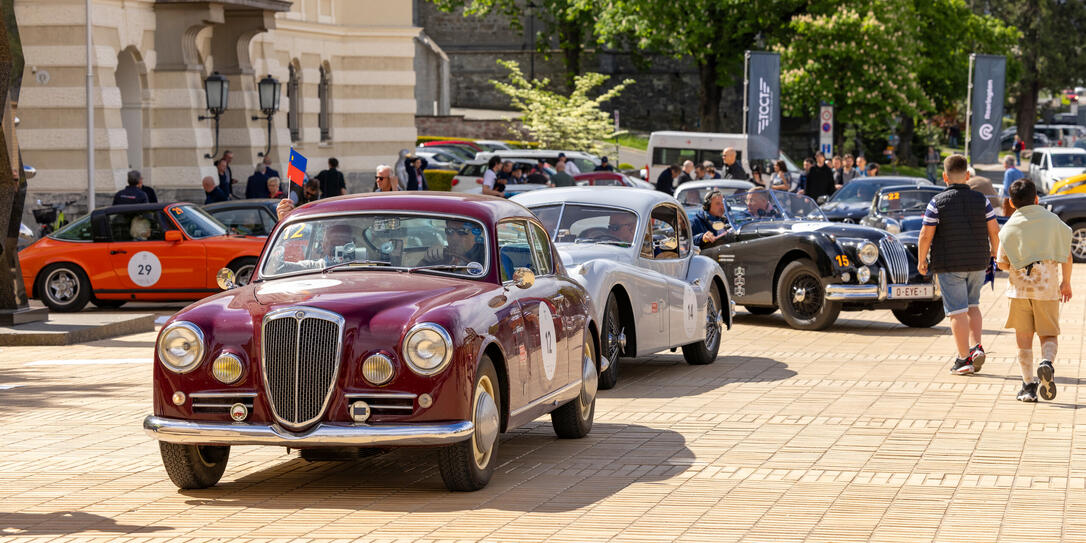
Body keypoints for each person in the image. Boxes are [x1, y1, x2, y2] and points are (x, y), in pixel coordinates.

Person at [917, 154, 1000, 375]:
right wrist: (994, 252)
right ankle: (976, 346)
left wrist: (921, 259)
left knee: (956, 312)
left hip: (950, 263)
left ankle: (964, 359)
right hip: (978, 263)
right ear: (967, 176)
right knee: (973, 305)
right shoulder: (982, 200)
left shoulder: (937, 202)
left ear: (944, 176)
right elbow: (994, 230)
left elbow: (926, 234)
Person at [996, 179, 1072, 402]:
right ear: (1037, 198)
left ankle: (1028, 386)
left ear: (1011, 202)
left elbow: (1001, 262)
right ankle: (1046, 362)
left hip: (1018, 290)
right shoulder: (1053, 221)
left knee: (1023, 338)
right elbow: (1067, 254)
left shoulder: (1010, 226)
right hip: (1047, 289)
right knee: (1048, 334)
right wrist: (1066, 282)